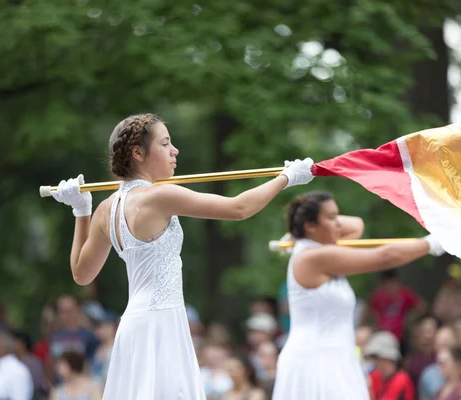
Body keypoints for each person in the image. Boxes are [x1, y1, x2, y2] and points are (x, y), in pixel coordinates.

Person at [49, 113, 314, 399]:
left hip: (135, 324)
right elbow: (239, 209)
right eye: (165, 144)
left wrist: (81, 210)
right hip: (161, 321)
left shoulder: (107, 207)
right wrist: (286, 178)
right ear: (138, 153)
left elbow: (80, 273)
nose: (174, 151)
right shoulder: (159, 197)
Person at [271, 190, 445, 400]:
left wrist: (299, 229)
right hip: (315, 360)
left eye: (337, 216)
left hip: (337, 358)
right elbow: (385, 257)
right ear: (310, 225)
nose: (338, 224)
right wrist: (432, 243)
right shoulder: (314, 256)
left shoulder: (320, 248)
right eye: (331, 218)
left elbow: (356, 225)